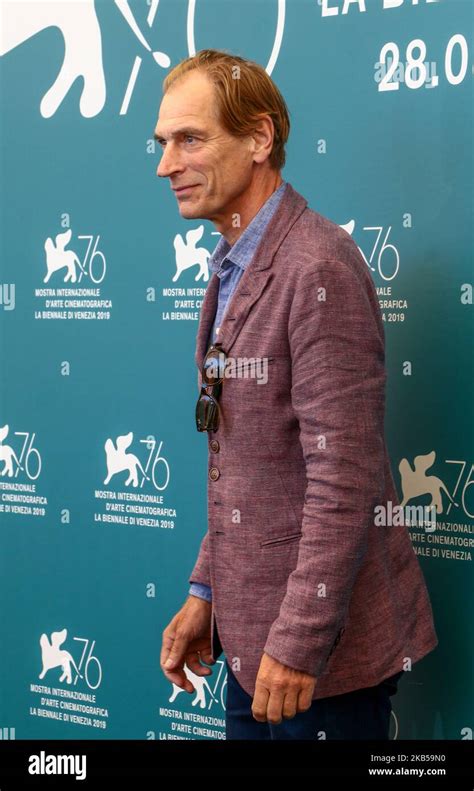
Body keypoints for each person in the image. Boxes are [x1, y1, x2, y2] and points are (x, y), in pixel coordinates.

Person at [155, 49, 438, 740]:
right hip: (251, 645)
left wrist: (298, 641)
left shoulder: (317, 266)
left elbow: (346, 479)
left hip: (320, 667)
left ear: (258, 139)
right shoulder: (233, 263)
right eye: (161, 143)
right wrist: (206, 591)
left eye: (189, 138)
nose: (165, 164)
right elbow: (249, 465)